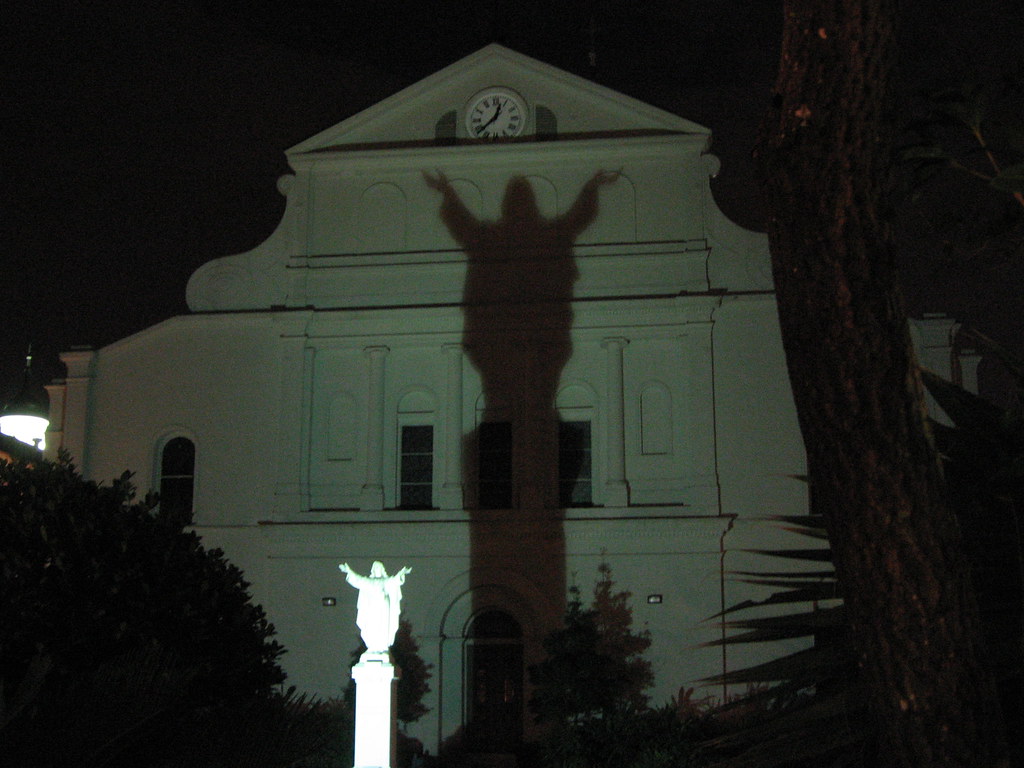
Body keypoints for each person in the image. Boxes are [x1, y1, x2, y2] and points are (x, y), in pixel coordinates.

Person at [339, 561, 412, 654]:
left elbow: (395, 580)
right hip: (371, 607)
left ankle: (382, 646)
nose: (377, 570)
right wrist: (348, 571)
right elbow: (358, 580)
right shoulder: (368, 581)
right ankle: (373, 646)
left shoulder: (386, 581)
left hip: (383, 605)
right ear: (373, 570)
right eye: (376, 568)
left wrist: (402, 573)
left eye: (379, 568)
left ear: (382, 569)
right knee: (372, 625)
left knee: (383, 625)